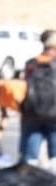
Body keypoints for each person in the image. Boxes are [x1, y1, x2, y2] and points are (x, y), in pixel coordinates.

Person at [19, 29, 56, 164]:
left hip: (31, 113)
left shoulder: (31, 63)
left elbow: (25, 87)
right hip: (54, 115)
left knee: (29, 156)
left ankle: (27, 182)